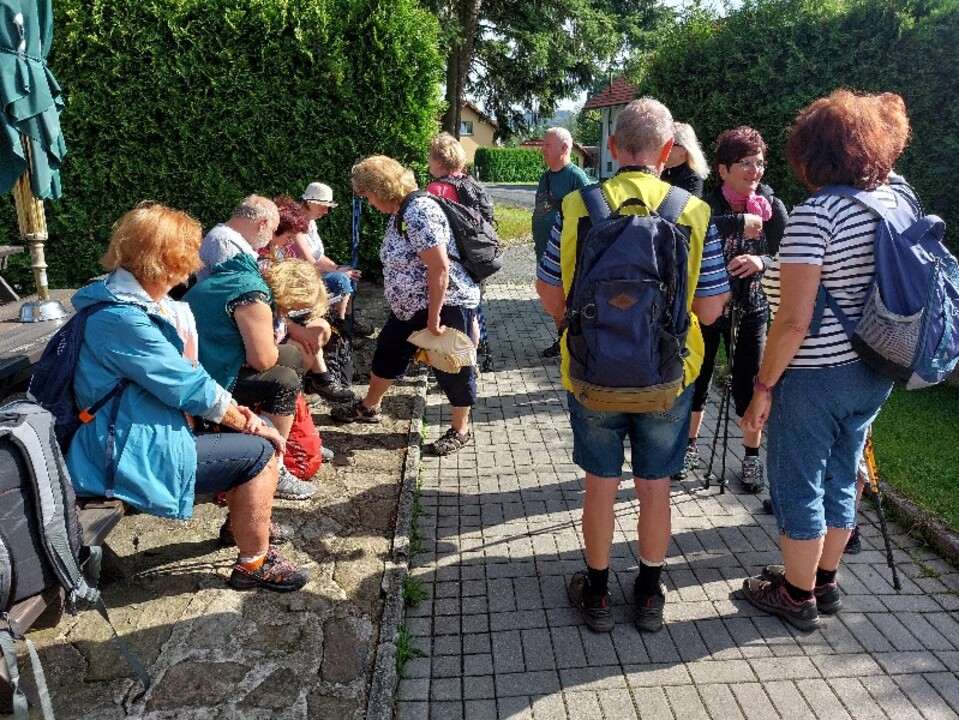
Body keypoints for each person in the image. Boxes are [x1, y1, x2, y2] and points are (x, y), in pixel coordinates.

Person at [536, 98, 730, 633]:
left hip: (591, 374)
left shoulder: (578, 206)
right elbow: (711, 309)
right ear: (668, 153)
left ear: (613, 149)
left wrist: (578, 326)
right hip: (668, 378)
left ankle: (596, 593)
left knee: (599, 484)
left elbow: (549, 293)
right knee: (655, 487)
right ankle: (648, 593)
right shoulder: (693, 212)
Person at [67, 202, 309, 592]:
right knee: (261, 450)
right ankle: (254, 563)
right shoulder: (122, 318)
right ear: (167, 259)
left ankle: (242, 527)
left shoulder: (127, 303)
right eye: (188, 254)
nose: (195, 263)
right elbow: (188, 386)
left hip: (128, 430)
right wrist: (244, 419)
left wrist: (236, 412)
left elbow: (187, 379)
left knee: (255, 430)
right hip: (122, 450)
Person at [739, 90, 911, 631]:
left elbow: (793, 321)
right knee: (843, 473)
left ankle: (795, 594)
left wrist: (763, 388)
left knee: (798, 481)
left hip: (815, 375)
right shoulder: (897, 201)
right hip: (876, 367)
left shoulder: (818, 215)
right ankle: (824, 580)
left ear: (813, 154)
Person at [335, 155, 481, 457]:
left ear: (382, 188)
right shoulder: (403, 209)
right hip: (410, 307)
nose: (370, 202)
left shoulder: (418, 212)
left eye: (369, 195)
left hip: (442, 305)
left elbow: (439, 268)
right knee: (388, 351)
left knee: (452, 365)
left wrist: (434, 317)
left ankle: (460, 429)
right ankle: (370, 406)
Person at [678, 127, 788, 493]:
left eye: (759, 163)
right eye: (745, 163)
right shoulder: (709, 204)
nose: (755, 171)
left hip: (753, 307)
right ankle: (689, 447)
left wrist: (761, 260)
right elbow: (696, 227)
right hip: (710, 307)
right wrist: (741, 222)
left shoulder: (772, 207)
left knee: (749, 383)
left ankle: (752, 457)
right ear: (723, 169)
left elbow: (786, 255)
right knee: (699, 377)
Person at [184, 207, 319, 501]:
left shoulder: (246, 269)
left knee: (293, 357)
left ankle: (293, 438)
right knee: (282, 380)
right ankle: (275, 464)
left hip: (212, 354)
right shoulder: (255, 297)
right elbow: (263, 359)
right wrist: (270, 337)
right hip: (207, 371)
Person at [533, 127, 592, 358]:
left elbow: (591, 214)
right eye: (543, 145)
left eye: (548, 145)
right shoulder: (545, 176)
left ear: (565, 148)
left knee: (566, 302)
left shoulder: (576, 177)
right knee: (552, 301)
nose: (542, 149)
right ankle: (564, 340)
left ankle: (574, 345)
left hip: (567, 256)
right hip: (546, 252)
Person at [291, 182, 373, 337]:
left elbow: (318, 256)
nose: (326, 211)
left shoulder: (310, 222)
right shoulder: (295, 226)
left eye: (327, 207)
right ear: (309, 202)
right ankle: (341, 328)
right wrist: (340, 272)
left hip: (311, 271)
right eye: (322, 206)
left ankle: (348, 321)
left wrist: (339, 268)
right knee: (340, 279)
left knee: (346, 271)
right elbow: (309, 263)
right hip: (300, 276)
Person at [196, 195, 278, 283]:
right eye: (273, 230)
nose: (271, 237)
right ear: (262, 224)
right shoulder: (226, 244)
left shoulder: (228, 239)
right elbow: (232, 289)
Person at [662, 122, 709, 198]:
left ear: (683, 149)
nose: (663, 149)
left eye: (668, 144)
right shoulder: (663, 172)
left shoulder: (692, 180)